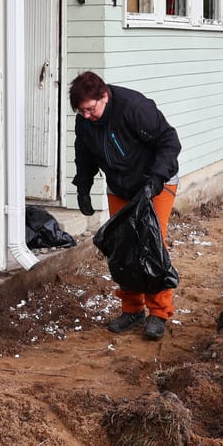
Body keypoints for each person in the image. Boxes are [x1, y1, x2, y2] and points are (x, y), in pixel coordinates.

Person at [70, 70, 181, 340]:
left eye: (90, 109)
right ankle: (132, 310)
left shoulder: (134, 108)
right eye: (81, 111)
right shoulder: (85, 122)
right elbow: (84, 155)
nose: (86, 115)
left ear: (103, 96)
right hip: (121, 187)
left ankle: (159, 313)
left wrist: (155, 179)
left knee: (151, 245)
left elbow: (169, 141)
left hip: (156, 183)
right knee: (123, 248)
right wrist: (83, 187)